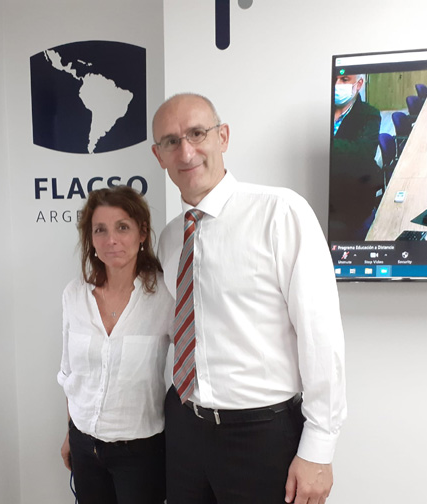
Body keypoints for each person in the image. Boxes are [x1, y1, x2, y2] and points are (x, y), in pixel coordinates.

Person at [151, 93, 346, 504]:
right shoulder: (170, 239)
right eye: (171, 141)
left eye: (197, 133)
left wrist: (319, 447)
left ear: (222, 136)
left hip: (261, 437)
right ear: (159, 155)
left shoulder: (281, 213)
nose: (186, 151)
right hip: (184, 430)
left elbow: (321, 335)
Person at [57, 186, 173, 504]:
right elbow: (69, 374)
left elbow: (196, 362)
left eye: (122, 227)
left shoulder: (165, 296)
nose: (111, 240)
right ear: (91, 239)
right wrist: (71, 432)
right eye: (100, 230)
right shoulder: (74, 295)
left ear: (142, 233)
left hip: (141, 452)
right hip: (84, 445)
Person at [330, 73, 382, 241]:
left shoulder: (369, 114)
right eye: (335, 80)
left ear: (358, 84)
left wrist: (328, 145)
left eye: (345, 80)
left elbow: (363, 153)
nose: (337, 84)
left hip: (353, 197)